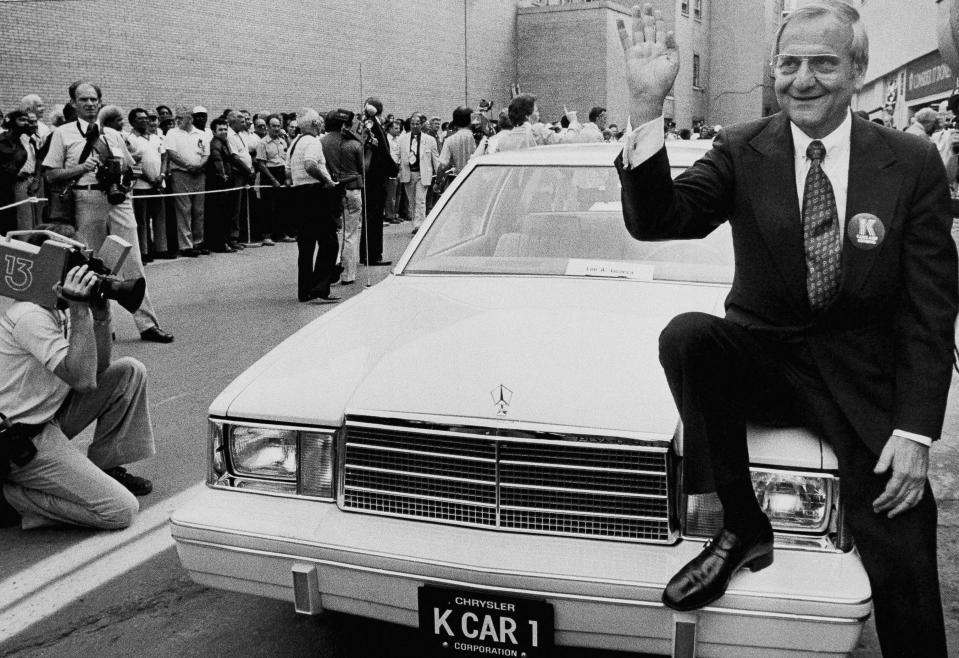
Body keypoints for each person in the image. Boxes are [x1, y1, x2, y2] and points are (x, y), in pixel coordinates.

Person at [615, 3, 956, 656]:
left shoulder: (910, 163)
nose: (802, 79)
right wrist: (643, 109)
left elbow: (929, 309)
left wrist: (914, 433)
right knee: (688, 335)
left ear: (856, 70)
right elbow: (661, 219)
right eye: (788, 62)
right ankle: (741, 528)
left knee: (905, 560)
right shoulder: (743, 149)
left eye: (823, 63)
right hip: (766, 361)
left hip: (865, 382)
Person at [0, 224, 155, 531]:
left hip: (50, 416)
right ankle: (12, 498)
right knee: (119, 511)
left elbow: (98, 369)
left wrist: (99, 314)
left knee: (128, 372)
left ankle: (104, 468)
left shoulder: (60, 306)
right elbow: (83, 382)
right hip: (21, 441)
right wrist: (80, 309)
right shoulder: (30, 315)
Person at [42, 81, 173, 343]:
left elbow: (133, 168)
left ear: (100, 102)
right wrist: (81, 168)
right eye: (83, 100)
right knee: (93, 263)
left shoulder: (113, 135)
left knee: (132, 260)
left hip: (118, 201)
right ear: (74, 104)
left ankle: (147, 323)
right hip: (86, 199)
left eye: (93, 99)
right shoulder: (63, 134)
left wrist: (123, 179)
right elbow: (52, 174)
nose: (89, 104)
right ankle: (102, 322)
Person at [287, 109, 340, 302]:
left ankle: (305, 290)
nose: (322, 126)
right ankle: (320, 287)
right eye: (319, 123)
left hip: (298, 193)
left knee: (306, 245)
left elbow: (287, 171)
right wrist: (327, 180)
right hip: (315, 194)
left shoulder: (294, 143)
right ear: (315, 124)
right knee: (329, 242)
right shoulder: (313, 142)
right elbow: (310, 164)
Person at [322, 109, 364, 284]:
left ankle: (331, 268)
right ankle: (347, 273)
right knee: (350, 233)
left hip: (332, 189)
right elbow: (364, 167)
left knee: (333, 232)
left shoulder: (322, 142)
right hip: (351, 189)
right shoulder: (352, 144)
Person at [355, 97, 397, 266]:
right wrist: (394, 169)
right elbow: (383, 153)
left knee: (369, 216)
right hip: (376, 178)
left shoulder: (365, 124)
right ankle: (373, 254)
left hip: (369, 177)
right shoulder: (374, 126)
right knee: (374, 217)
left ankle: (366, 253)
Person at [163, 106, 209, 257]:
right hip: (181, 174)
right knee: (184, 209)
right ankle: (186, 245)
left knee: (199, 210)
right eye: (177, 118)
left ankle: (198, 242)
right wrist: (188, 166)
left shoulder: (201, 133)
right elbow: (172, 153)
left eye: (181, 118)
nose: (178, 121)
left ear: (190, 118)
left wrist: (198, 166)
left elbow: (206, 154)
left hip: (199, 174)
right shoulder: (172, 133)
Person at [127, 107, 168, 263]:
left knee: (159, 217)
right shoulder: (129, 139)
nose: (145, 121)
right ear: (132, 121)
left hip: (158, 183)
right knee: (142, 219)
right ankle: (144, 251)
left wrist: (162, 175)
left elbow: (164, 156)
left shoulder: (156, 138)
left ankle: (161, 248)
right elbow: (132, 164)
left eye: (147, 118)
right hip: (141, 185)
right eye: (140, 119)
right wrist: (149, 179)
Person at [396, 113, 438, 234]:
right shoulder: (402, 139)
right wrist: (397, 170)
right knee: (412, 200)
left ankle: (420, 225)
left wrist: (439, 176)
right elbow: (397, 156)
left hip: (422, 173)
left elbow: (435, 158)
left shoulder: (430, 140)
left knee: (420, 200)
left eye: (417, 124)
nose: (415, 126)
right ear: (410, 125)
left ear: (421, 125)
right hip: (408, 173)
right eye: (413, 124)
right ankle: (416, 222)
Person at [255, 114, 289, 245]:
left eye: (278, 126)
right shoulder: (263, 143)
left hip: (281, 173)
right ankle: (267, 235)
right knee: (267, 207)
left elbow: (285, 160)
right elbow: (261, 164)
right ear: (268, 127)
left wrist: (286, 177)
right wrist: (273, 179)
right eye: (273, 126)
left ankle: (280, 233)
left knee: (282, 206)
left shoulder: (282, 141)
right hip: (269, 174)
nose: (276, 128)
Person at [204, 117, 235, 253]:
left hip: (225, 183)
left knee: (226, 213)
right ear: (213, 131)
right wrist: (222, 175)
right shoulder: (216, 143)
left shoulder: (224, 142)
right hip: (218, 184)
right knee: (219, 215)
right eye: (220, 129)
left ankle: (225, 241)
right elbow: (217, 160)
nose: (223, 132)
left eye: (225, 129)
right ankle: (220, 244)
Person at [434, 106, 477, 194]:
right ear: (471, 120)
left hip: (459, 181)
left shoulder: (450, 140)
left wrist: (437, 182)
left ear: (455, 122)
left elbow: (442, 166)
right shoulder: (480, 137)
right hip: (478, 180)